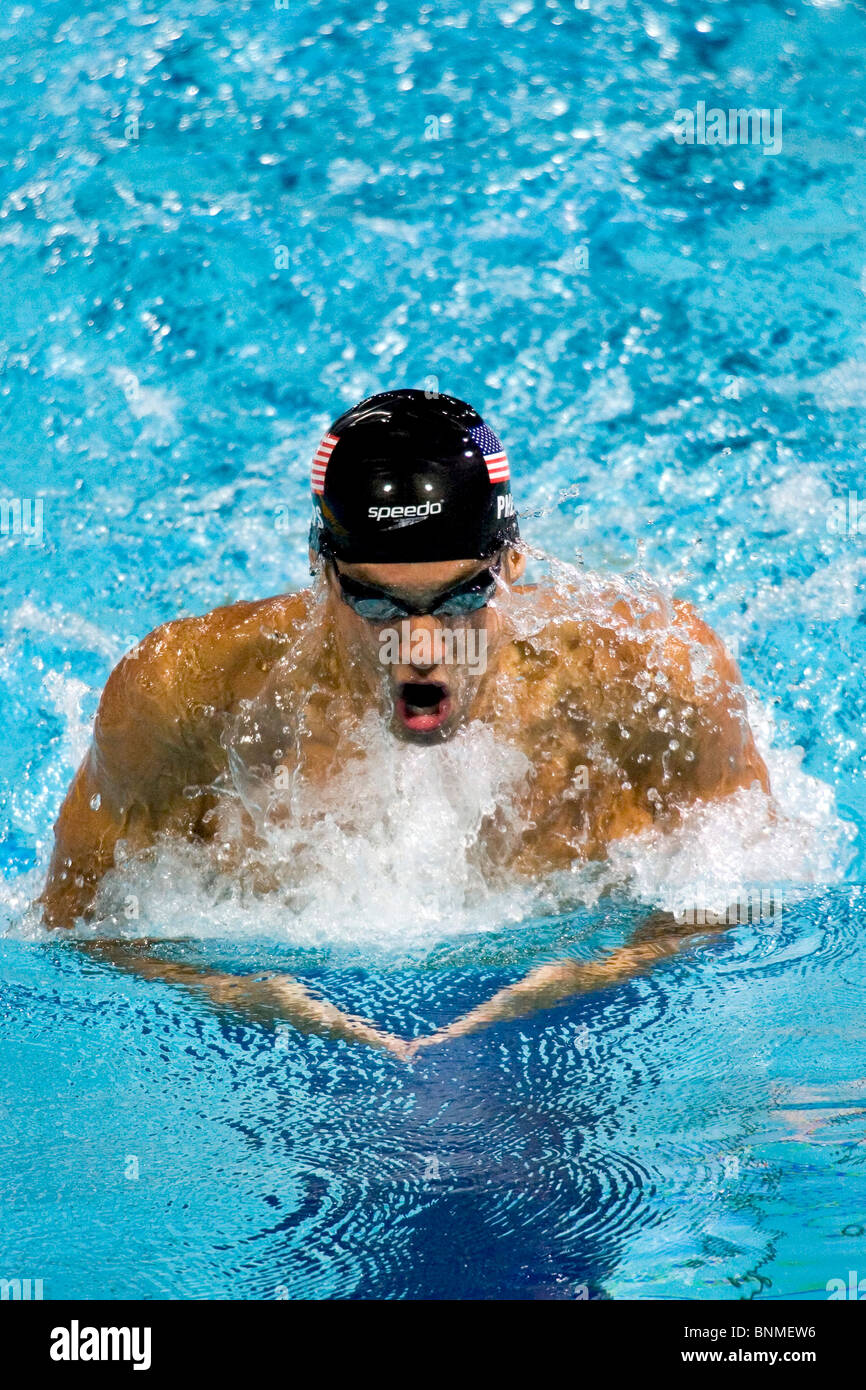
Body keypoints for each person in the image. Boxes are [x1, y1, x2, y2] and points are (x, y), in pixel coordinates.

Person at [39, 389, 769, 1058]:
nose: (421, 650)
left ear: (510, 563)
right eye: (380, 605)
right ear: (323, 572)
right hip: (277, 1034)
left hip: (582, 1014)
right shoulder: (182, 694)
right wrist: (226, 989)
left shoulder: (649, 677)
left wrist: (603, 968)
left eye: (459, 600)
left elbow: (761, 883)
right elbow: (72, 928)